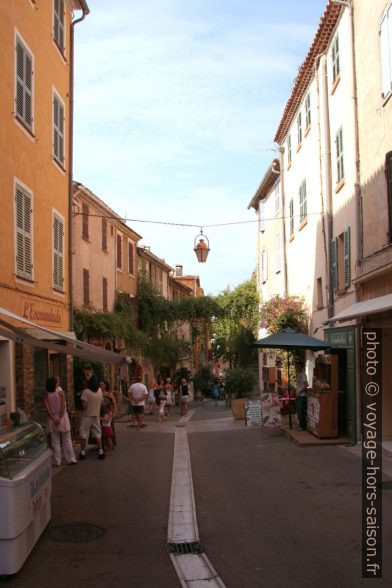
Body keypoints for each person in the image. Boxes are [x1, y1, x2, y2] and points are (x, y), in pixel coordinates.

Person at [43, 377, 76, 466]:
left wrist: (53, 418)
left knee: (54, 441)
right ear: (55, 384)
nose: (59, 383)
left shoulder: (46, 394)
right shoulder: (60, 392)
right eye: (57, 382)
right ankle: (71, 458)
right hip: (62, 417)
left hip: (52, 417)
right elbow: (63, 406)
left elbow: (47, 409)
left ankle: (56, 461)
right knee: (67, 439)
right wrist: (60, 418)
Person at [79, 363, 105, 460]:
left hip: (87, 415)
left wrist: (82, 401)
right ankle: (101, 451)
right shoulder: (99, 391)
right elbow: (102, 403)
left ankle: (82, 453)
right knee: (98, 433)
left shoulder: (86, 392)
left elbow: (84, 405)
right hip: (96, 415)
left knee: (84, 434)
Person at [101, 380, 117, 447]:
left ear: (105, 385)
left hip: (108, 413)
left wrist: (114, 412)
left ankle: (110, 444)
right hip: (101, 413)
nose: (100, 385)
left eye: (102, 384)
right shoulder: (98, 393)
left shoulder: (109, 394)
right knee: (101, 429)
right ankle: (103, 444)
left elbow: (114, 404)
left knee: (109, 429)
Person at [295, 361, 308, 430]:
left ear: (301, 367)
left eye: (298, 366)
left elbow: (306, 385)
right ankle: (301, 425)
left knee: (301, 411)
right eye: (296, 366)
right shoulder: (298, 373)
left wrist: (300, 392)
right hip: (298, 395)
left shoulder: (303, 374)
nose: (297, 367)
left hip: (302, 395)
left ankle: (303, 426)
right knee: (298, 410)